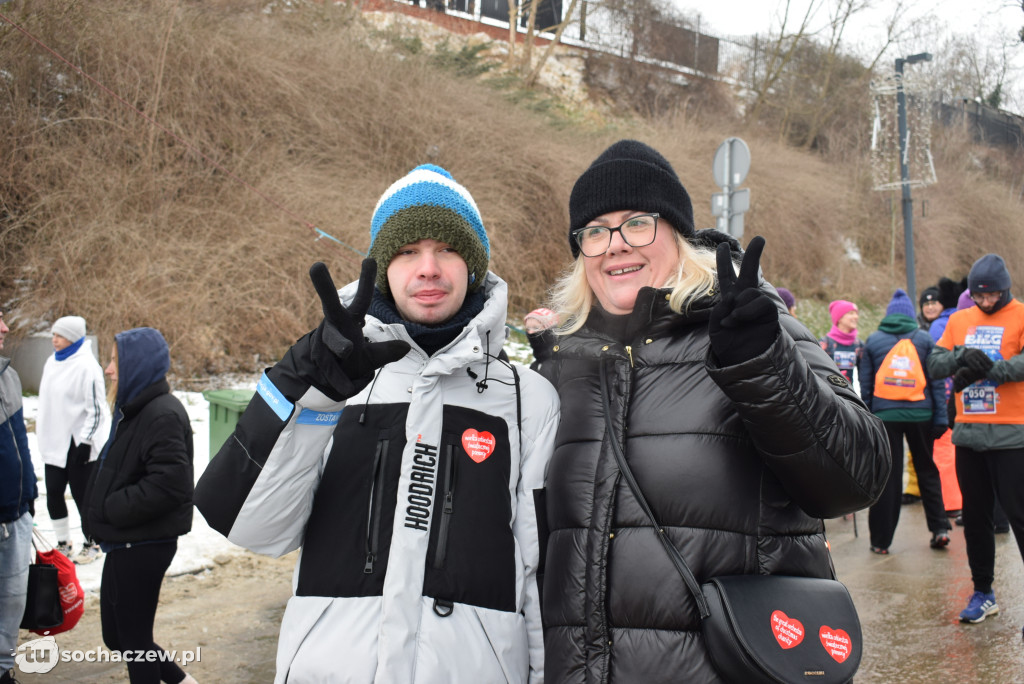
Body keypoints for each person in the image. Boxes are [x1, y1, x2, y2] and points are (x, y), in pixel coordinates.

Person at [538, 139, 890, 683]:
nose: (615, 245)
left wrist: (762, 366)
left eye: (637, 223)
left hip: (732, 665)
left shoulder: (745, 331)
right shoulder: (562, 368)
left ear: (679, 233)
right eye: (595, 231)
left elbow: (857, 476)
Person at [194, 164, 559, 683]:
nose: (428, 268)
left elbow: (539, 579)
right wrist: (311, 387)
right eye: (407, 251)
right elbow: (257, 529)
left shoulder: (528, 399)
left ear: (474, 266)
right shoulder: (333, 379)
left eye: (448, 249)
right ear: (382, 267)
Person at [84, 327, 197, 684]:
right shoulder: (137, 409)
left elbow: (169, 485)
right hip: (126, 540)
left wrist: (111, 507)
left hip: (144, 542)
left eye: (115, 360)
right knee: (119, 636)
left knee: (134, 642)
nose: (108, 369)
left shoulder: (161, 414)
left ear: (138, 365)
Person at [927, 253, 1024, 626]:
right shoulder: (960, 320)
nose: (985, 302)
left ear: (1005, 290)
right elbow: (935, 364)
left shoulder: (1019, 314)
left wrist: (996, 369)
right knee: (976, 519)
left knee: (1019, 517)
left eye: (992, 296)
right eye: (979, 297)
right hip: (968, 434)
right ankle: (983, 592)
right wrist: (961, 358)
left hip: (1013, 435)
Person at [858, 289, 950, 554]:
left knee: (888, 476)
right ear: (912, 315)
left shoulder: (873, 341)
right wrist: (940, 418)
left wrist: (869, 418)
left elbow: (865, 388)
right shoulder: (923, 339)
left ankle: (880, 541)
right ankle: (940, 529)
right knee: (927, 471)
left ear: (888, 315)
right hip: (922, 415)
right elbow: (936, 382)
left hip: (886, 417)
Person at [36, 315, 111, 564]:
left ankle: (92, 543)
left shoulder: (87, 367)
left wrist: (86, 441)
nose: (54, 340)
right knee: (54, 492)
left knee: (83, 496)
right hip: (54, 441)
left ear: (74, 337)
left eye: (60, 335)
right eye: (54, 335)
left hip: (78, 445)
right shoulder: (51, 363)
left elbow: (97, 409)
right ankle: (62, 542)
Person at [0, 310, 36, 684]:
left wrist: (30, 497)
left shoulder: (9, 376)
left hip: (17, 516)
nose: (6, 328)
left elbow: (20, 444)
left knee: (12, 605)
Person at [820, 299, 862, 387]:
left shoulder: (858, 345)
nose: (856, 317)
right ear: (839, 318)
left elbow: (864, 374)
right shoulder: (824, 344)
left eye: (856, 313)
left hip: (850, 395)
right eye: (851, 313)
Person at [524, 307, 558, 371]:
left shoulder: (559, 364)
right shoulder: (535, 365)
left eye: (536, 328)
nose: (530, 332)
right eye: (528, 328)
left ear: (550, 330)